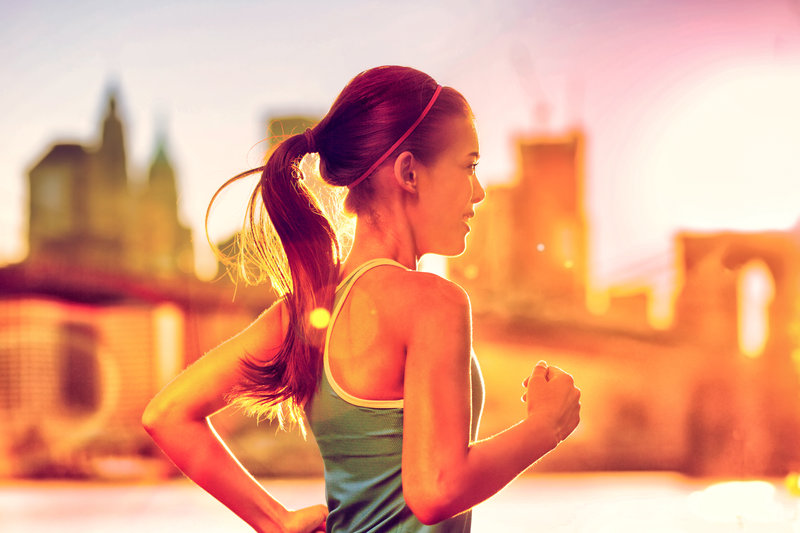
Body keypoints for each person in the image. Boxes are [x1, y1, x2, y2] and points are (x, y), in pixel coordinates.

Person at [142, 65, 581, 533]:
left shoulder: (306, 312)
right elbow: (435, 490)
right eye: (469, 166)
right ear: (409, 172)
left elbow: (167, 415)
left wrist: (276, 521)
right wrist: (545, 426)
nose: (480, 190)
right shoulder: (434, 301)